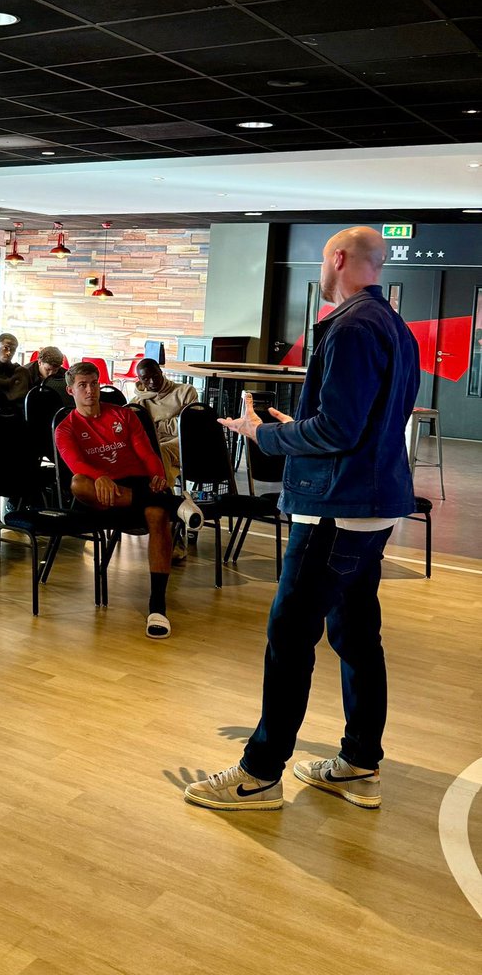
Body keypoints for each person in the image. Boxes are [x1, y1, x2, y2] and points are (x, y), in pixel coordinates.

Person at [185, 227, 419, 812]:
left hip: (337, 509)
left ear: (338, 259)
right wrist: (298, 421)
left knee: (290, 635)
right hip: (370, 504)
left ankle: (259, 774)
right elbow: (353, 422)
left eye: (323, 259)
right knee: (356, 634)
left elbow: (339, 433)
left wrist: (263, 433)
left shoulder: (352, 327)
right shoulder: (392, 325)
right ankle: (359, 761)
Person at [55, 362, 191, 639]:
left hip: (134, 485)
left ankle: (157, 606)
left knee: (156, 515)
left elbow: (147, 452)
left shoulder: (124, 415)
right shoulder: (65, 428)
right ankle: (175, 503)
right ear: (71, 390)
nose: (90, 390)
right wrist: (100, 476)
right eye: (83, 385)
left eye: (94, 383)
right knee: (78, 483)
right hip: (101, 492)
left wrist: (157, 476)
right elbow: (76, 463)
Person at [129, 358, 198, 483]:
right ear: (139, 379)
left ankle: (164, 495)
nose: (152, 381)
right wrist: (174, 422)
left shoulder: (185, 392)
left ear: (161, 372)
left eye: (155, 375)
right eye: (146, 379)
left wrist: (156, 425)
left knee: (161, 450)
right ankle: (162, 492)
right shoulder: (137, 402)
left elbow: (191, 426)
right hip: (155, 443)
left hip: (184, 441)